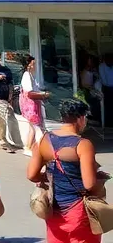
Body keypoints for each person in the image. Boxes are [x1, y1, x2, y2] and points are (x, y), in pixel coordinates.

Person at [27, 97, 107, 243]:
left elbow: (32, 175)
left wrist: (48, 176)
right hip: (78, 210)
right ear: (81, 118)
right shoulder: (83, 144)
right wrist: (100, 180)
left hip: (53, 209)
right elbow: (89, 184)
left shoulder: (44, 139)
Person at [20, 55, 50, 157]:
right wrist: (43, 95)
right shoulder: (27, 75)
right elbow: (29, 93)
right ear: (29, 65)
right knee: (35, 127)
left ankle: (29, 147)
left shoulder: (30, 75)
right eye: (33, 64)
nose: (35, 66)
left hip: (33, 103)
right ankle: (31, 147)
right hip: (30, 104)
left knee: (33, 127)